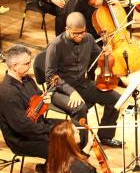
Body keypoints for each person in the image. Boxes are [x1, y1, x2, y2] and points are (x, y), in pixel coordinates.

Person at [46, 12, 123, 148]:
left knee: (116, 99)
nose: (80, 36)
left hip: (81, 83)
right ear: (67, 30)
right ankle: (80, 146)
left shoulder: (88, 38)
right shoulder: (56, 45)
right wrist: (71, 91)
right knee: (80, 108)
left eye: (82, 32)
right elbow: (51, 77)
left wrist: (106, 53)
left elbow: (98, 56)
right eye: (76, 33)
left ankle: (105, 136)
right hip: (59, 90)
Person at [0, 45, 62, 173]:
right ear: (14, 66)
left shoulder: (27, 79)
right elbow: (22, 127)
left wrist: (45, 100)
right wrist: (49, 130)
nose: (30, 66)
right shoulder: (8, 93)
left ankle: (49, 167)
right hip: (22, 138)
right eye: (27, 63)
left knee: (69, 128)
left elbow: (39, 96)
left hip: (37, 125)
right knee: (60, 146)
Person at [47, 120, 128, 173]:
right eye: (75, 132)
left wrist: (89, 144)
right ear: (70, 140)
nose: (79, 131)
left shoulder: (56, 158)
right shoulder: (79, 168)